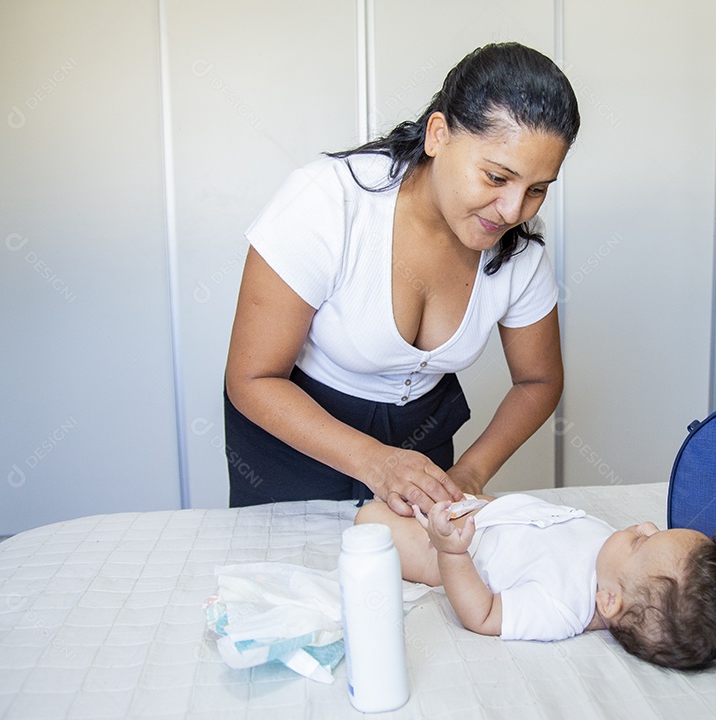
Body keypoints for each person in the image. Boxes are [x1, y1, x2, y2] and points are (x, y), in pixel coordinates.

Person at [224, 42, 580, 513]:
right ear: (438, 135)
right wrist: (374, 461)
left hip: (420, 450)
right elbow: (251, 377)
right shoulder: (328, 202)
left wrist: (470, 472)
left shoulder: (519, 250)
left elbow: (539, 380)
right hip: (294, 443)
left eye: (536, 189)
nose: (513, 211)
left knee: (417, 564)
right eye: (496, 178)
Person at [355, 494, 716, 670]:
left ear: (610, 602)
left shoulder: (561, 607)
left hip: (453, 548)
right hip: (487, 512)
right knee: (406, 487)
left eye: (642, 541)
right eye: (656, 531)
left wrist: (451, 553)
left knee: (369, 519)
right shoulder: (611, 562)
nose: (644, 524)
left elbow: (484, 614)